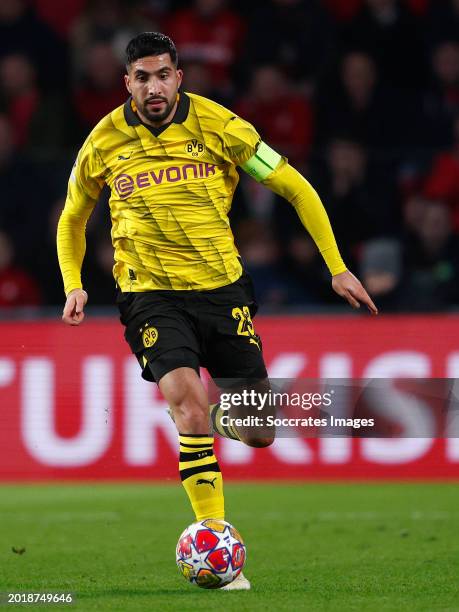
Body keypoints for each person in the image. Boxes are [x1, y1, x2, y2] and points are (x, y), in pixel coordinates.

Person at [57, 32, 377, 590]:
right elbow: (72, 217)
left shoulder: (223, 128)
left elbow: (295, 187)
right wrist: (73, 283)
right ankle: (214, 536)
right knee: (192, 410)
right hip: (149, 294)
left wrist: (337, 266)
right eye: (141, 77)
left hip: (222, 291)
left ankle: (206, 419)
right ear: (126, 82)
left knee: (256, 431)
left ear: (179, 77)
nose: (153, 87)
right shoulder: (103, 140)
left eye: (162, 75)